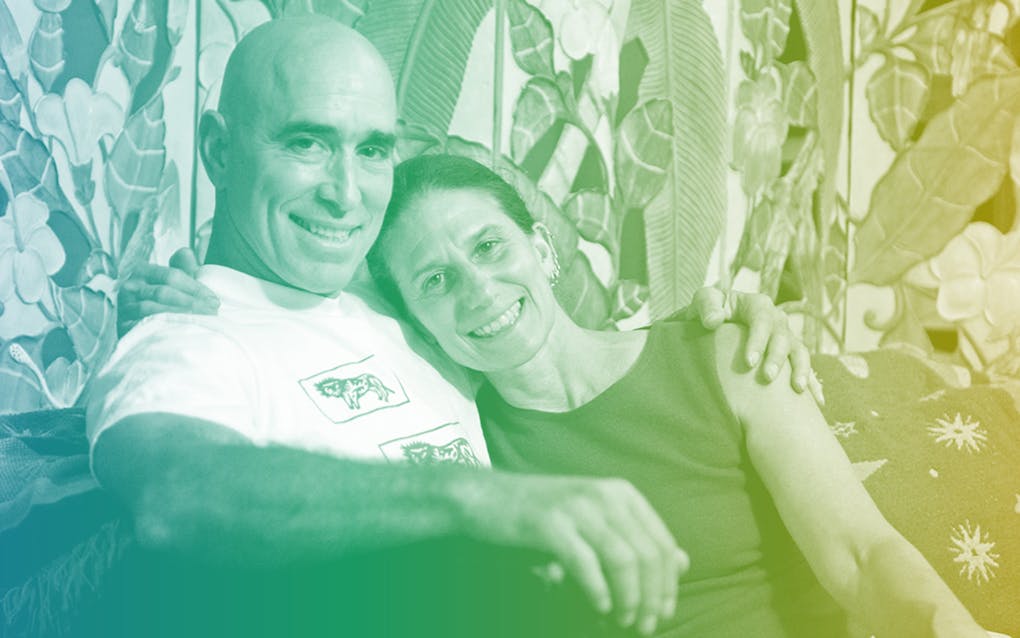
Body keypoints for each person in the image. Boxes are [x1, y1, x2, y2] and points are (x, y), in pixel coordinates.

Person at [93, 16, 816, 638]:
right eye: (307, 143)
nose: (347, 192)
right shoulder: (185, 335)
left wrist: (718, 322)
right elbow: (175, 491)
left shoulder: (403, 312)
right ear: (220, 151)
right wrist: (473, 498)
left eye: (372, 150)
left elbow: (542, 334)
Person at [362, 153, 989, 638]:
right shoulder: (467, 455)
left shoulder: (724, 354)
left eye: (488, 246)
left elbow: (861, 555)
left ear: (542, 249)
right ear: (419, 324)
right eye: (435, 280)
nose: (478, 289)